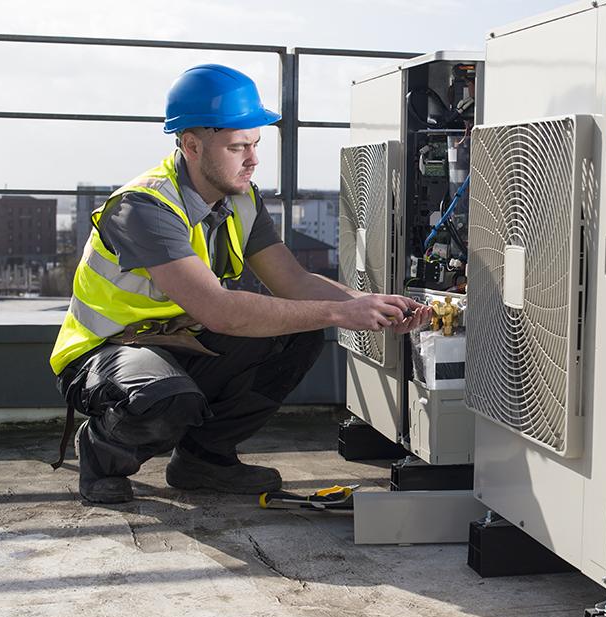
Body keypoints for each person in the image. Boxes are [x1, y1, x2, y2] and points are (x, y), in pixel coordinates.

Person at [49, 64, 431, 504]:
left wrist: (373, 304)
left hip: (181, 343)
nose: (253, 159)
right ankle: (102, 454)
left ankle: (203, 459)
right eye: (237, 147)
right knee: (168, 399)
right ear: (191, 145)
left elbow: (293, 280)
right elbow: (220, 311)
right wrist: (342, 312)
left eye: (255, 144)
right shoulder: (144, 208)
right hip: (108, 352)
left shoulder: (242, 199)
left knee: (298, 333)